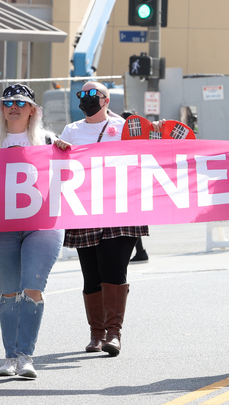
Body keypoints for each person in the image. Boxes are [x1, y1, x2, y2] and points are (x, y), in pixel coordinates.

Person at [54, 82, 159, 357]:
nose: (87, 99)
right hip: (85, 210)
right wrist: (59, 149)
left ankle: (114, 333)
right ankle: (96, 334)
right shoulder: (71, 130)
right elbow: (60, 168)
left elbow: (147, 156)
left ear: (106, 100)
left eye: (93, 94)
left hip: (122, 208)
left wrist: (156, 134)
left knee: (114, 270)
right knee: (91, 274)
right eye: (82, 94)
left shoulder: (125, 127)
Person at [0, 84, 63, 379]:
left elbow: (71, 177)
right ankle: (10, 357)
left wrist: (68, 155)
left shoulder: (49, 141)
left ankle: (25, 357)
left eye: (21, 103)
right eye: (8, 102)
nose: (14, 107)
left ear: (33, 110)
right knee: (8, 292)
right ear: (1, 109)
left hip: (42, 226)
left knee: (32, 288)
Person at [119, 110, 150, 264]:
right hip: (136, 184)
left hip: (130, 185)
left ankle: (140, 251)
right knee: (133, 220)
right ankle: (140, 251)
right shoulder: (140, 138)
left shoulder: (126, 139)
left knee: (131, 220)